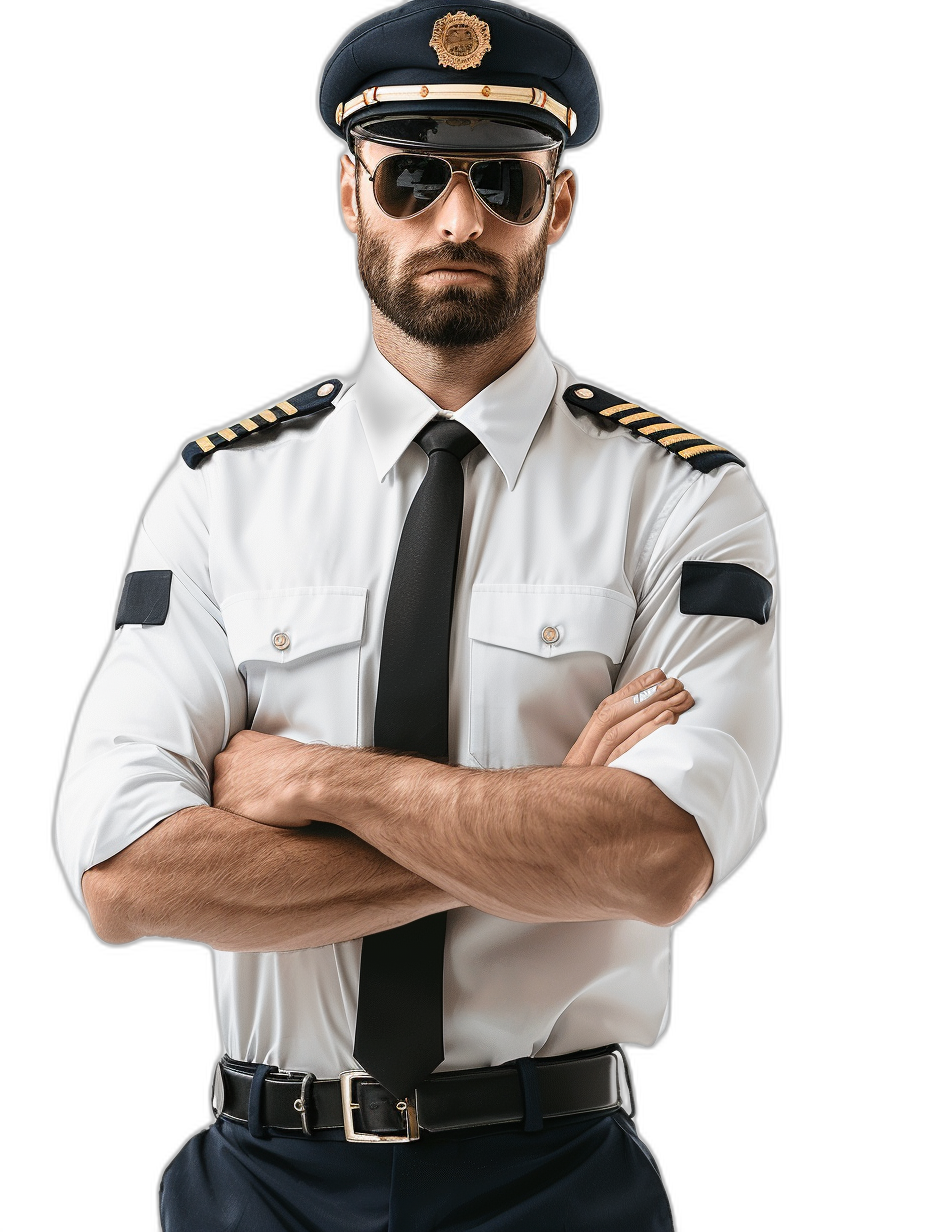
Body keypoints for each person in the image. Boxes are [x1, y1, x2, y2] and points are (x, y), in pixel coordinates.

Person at [53, 2, 780, 1228]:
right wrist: (544, 813)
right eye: (410, 177)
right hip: (260, 1179)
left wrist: (312, 778)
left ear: (558, 207)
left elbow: (657, 855)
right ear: (349, 195)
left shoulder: (685, 495)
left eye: (503, 180)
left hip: (558, 1180)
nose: (457, 220)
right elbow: (125, 876)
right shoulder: (220, 490)